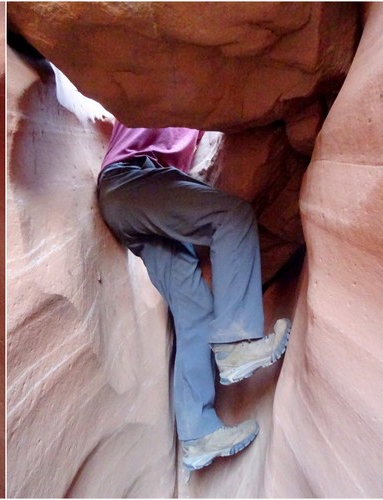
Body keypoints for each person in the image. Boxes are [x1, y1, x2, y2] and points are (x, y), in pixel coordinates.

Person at [96, 121, 292, 471]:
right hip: (132, 178)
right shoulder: (152, 102)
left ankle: (197, 433)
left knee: (196, 310)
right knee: (232, 217)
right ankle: (237, 344)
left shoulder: (200, 126)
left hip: (140, 208)